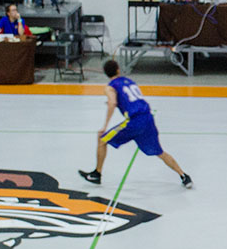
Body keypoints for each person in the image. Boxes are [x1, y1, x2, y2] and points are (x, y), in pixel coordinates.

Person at [79, 59, 192, 189]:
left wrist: (105, 125)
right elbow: (132, 100)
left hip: (134, 122)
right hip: (148, 118)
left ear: (106, 73)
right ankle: (184, 176)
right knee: (160, 152)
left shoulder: (110, 86)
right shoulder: (129, 82)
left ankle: (97, 174)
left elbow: (112, 103)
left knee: (102, 139)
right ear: (118, 70)